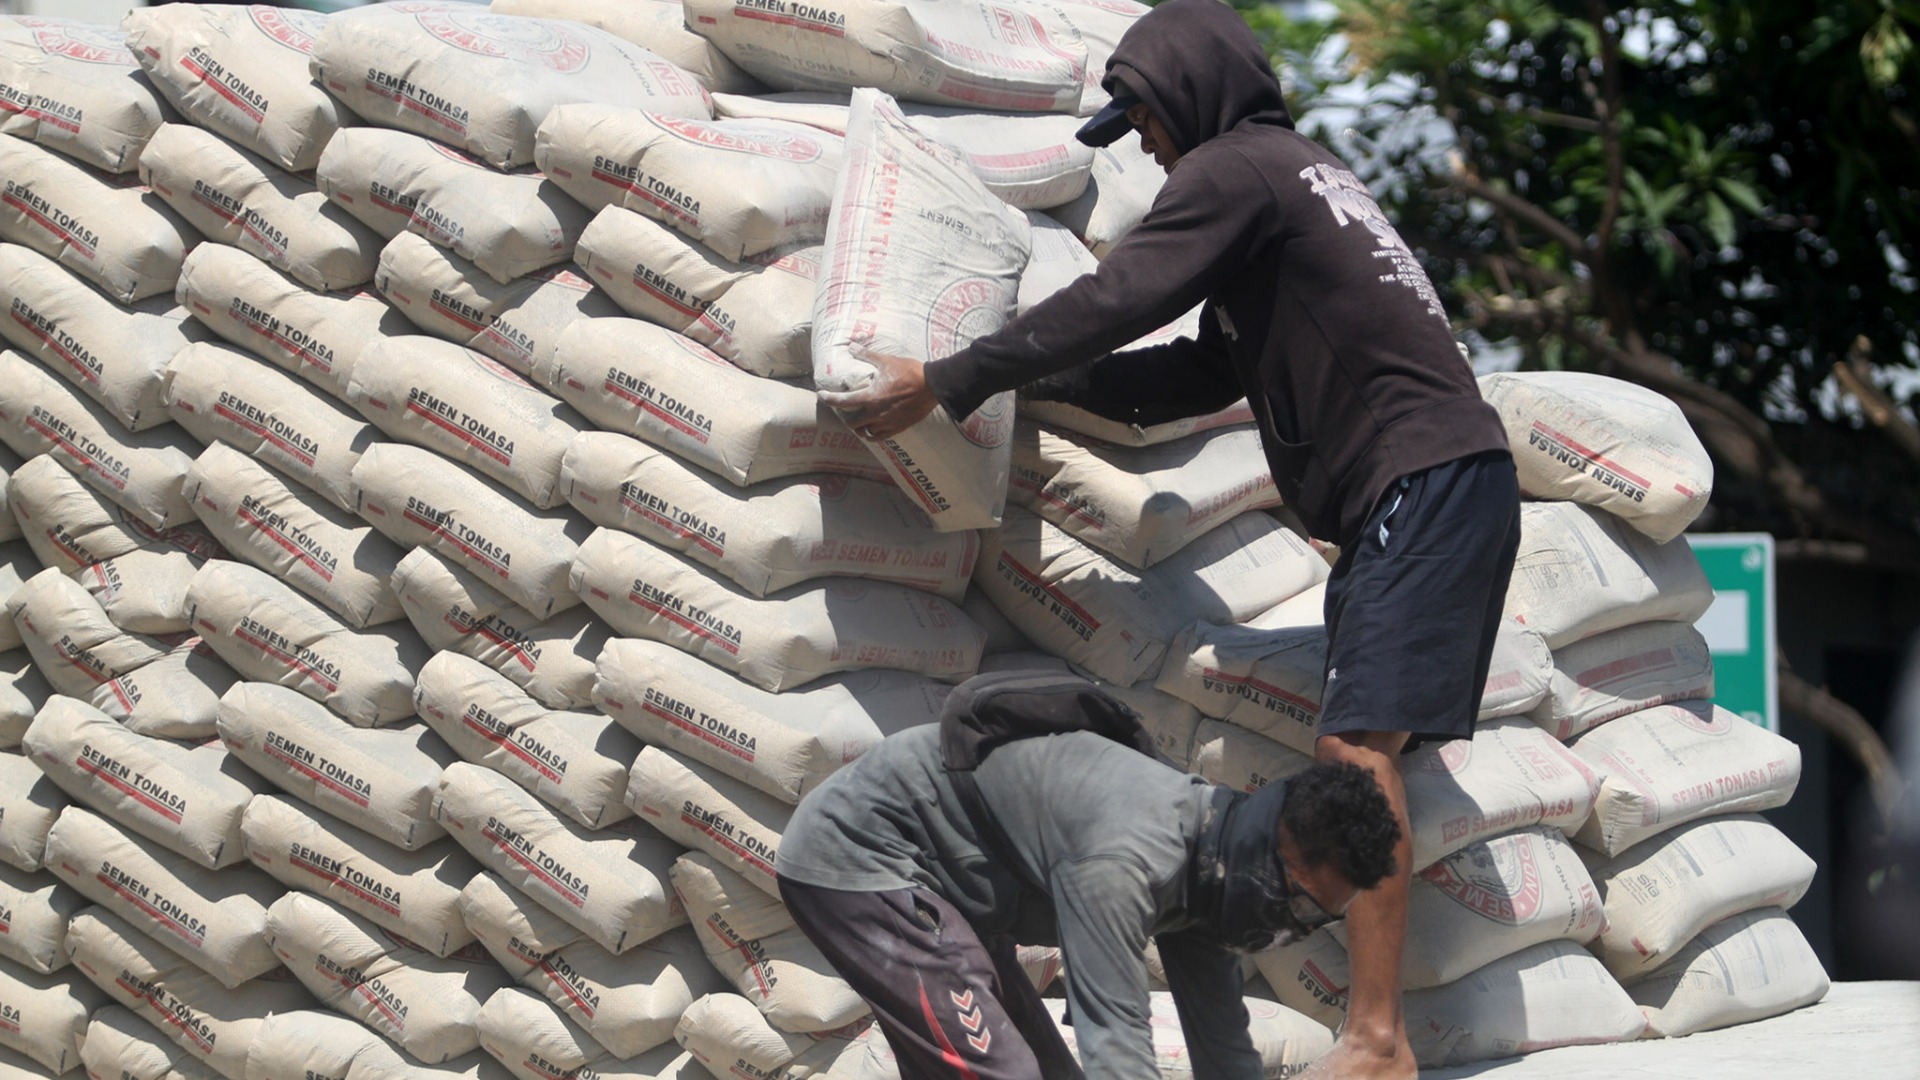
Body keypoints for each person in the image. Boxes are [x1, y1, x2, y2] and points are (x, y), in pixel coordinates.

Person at [817, 2, 1523, 1078]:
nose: (1144, 145)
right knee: (1365, 747)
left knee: (1354, 752)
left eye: (1144, 119)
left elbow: (1123, 295)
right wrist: (1039, 386)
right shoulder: (1299, 176)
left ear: (1193, 94)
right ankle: (1378, 1028)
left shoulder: (1234, 170)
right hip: (1441, 482)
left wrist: (957, 378)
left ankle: (1378, 1039)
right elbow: (1194, 375)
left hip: (1414, 483)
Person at [776, 669, 1402, 1080]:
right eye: (1298, 904)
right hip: (863, 857)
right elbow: (1117, 1047)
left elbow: (1223, 1049)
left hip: (951, 890)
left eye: (1315, 921)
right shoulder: (1127, 860)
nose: (1290, 930)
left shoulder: (1217, 872)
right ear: (1272, 852)